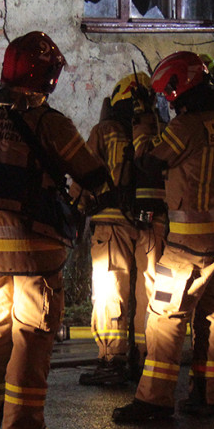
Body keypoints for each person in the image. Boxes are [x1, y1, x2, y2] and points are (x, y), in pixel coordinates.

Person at [0, 31, 108, 429]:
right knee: (32, 340)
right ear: (47, 76)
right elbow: (93, 175)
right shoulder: (51, 123)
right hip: (37, 254)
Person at [112, 51, 214, 422]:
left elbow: (148, 163)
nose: (170, 103)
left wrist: (142, 123)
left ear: (181, 89)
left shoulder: (186, 128)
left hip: (188, 243)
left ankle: (153, 401)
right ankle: (208, 396)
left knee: (164, 317)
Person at [80, 71, 165, 386]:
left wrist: (76, 214)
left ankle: (112, 362)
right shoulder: (158, 129)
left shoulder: (104, 131)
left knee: (109, 291)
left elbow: (83, 174)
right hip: (153, 224)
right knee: (152, 293)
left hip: (111, 224)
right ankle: (147, 359)